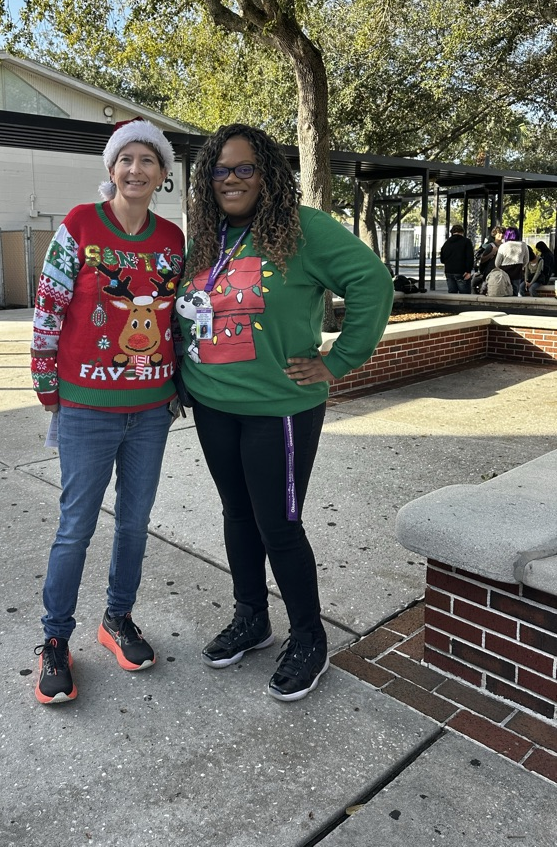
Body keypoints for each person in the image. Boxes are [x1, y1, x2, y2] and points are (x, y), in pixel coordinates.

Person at [175, 124, 394, 702]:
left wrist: (338, 361)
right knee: (237, 515)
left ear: (268, 174)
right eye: (220, 170)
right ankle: (252, 616)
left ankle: (308, 637)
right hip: (213, 404)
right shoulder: (206, 236)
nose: (231, 179)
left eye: (245, 168)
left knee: (279, 524)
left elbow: (372, 282)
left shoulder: (303, 229)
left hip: (280, 411)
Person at [30, 118, 185, 705]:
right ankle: (54, 640)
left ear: (163, 174)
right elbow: (49, 306)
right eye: (127, 159)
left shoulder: (173, 240)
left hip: (150, 410)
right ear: (111, 168)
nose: (136, 170)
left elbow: (179, 319)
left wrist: (179, 386)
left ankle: (117, 619)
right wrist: (49, 388)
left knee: (135, 523)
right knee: (76, 528)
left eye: (149, 160)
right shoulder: (78, 225)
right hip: (86, 407)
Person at [439, 224, 475, 294]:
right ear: (462, 232)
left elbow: (442, 259)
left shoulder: (447, 243)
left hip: (449, 271)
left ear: (452, 232)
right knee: (464, 295)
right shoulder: (466, 242)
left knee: (452, 294)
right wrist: (468, 271)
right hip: (462, 271)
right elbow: (470, 257)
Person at [495, 227, 529, 295]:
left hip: (504, 272)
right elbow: (526, 260)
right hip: (517, 271)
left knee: (504, 291)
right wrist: (521, 266)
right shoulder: (523, 245)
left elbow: (497, 263)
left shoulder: (503, 246)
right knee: (515, 291)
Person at [471, 226, 504, 294]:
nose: (501, 235)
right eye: (499, 233)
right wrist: (492, 253)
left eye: (502, 233)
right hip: (489, 271)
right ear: (494, 234)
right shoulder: (491, 246)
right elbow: (483, 259)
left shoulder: (504, 246)